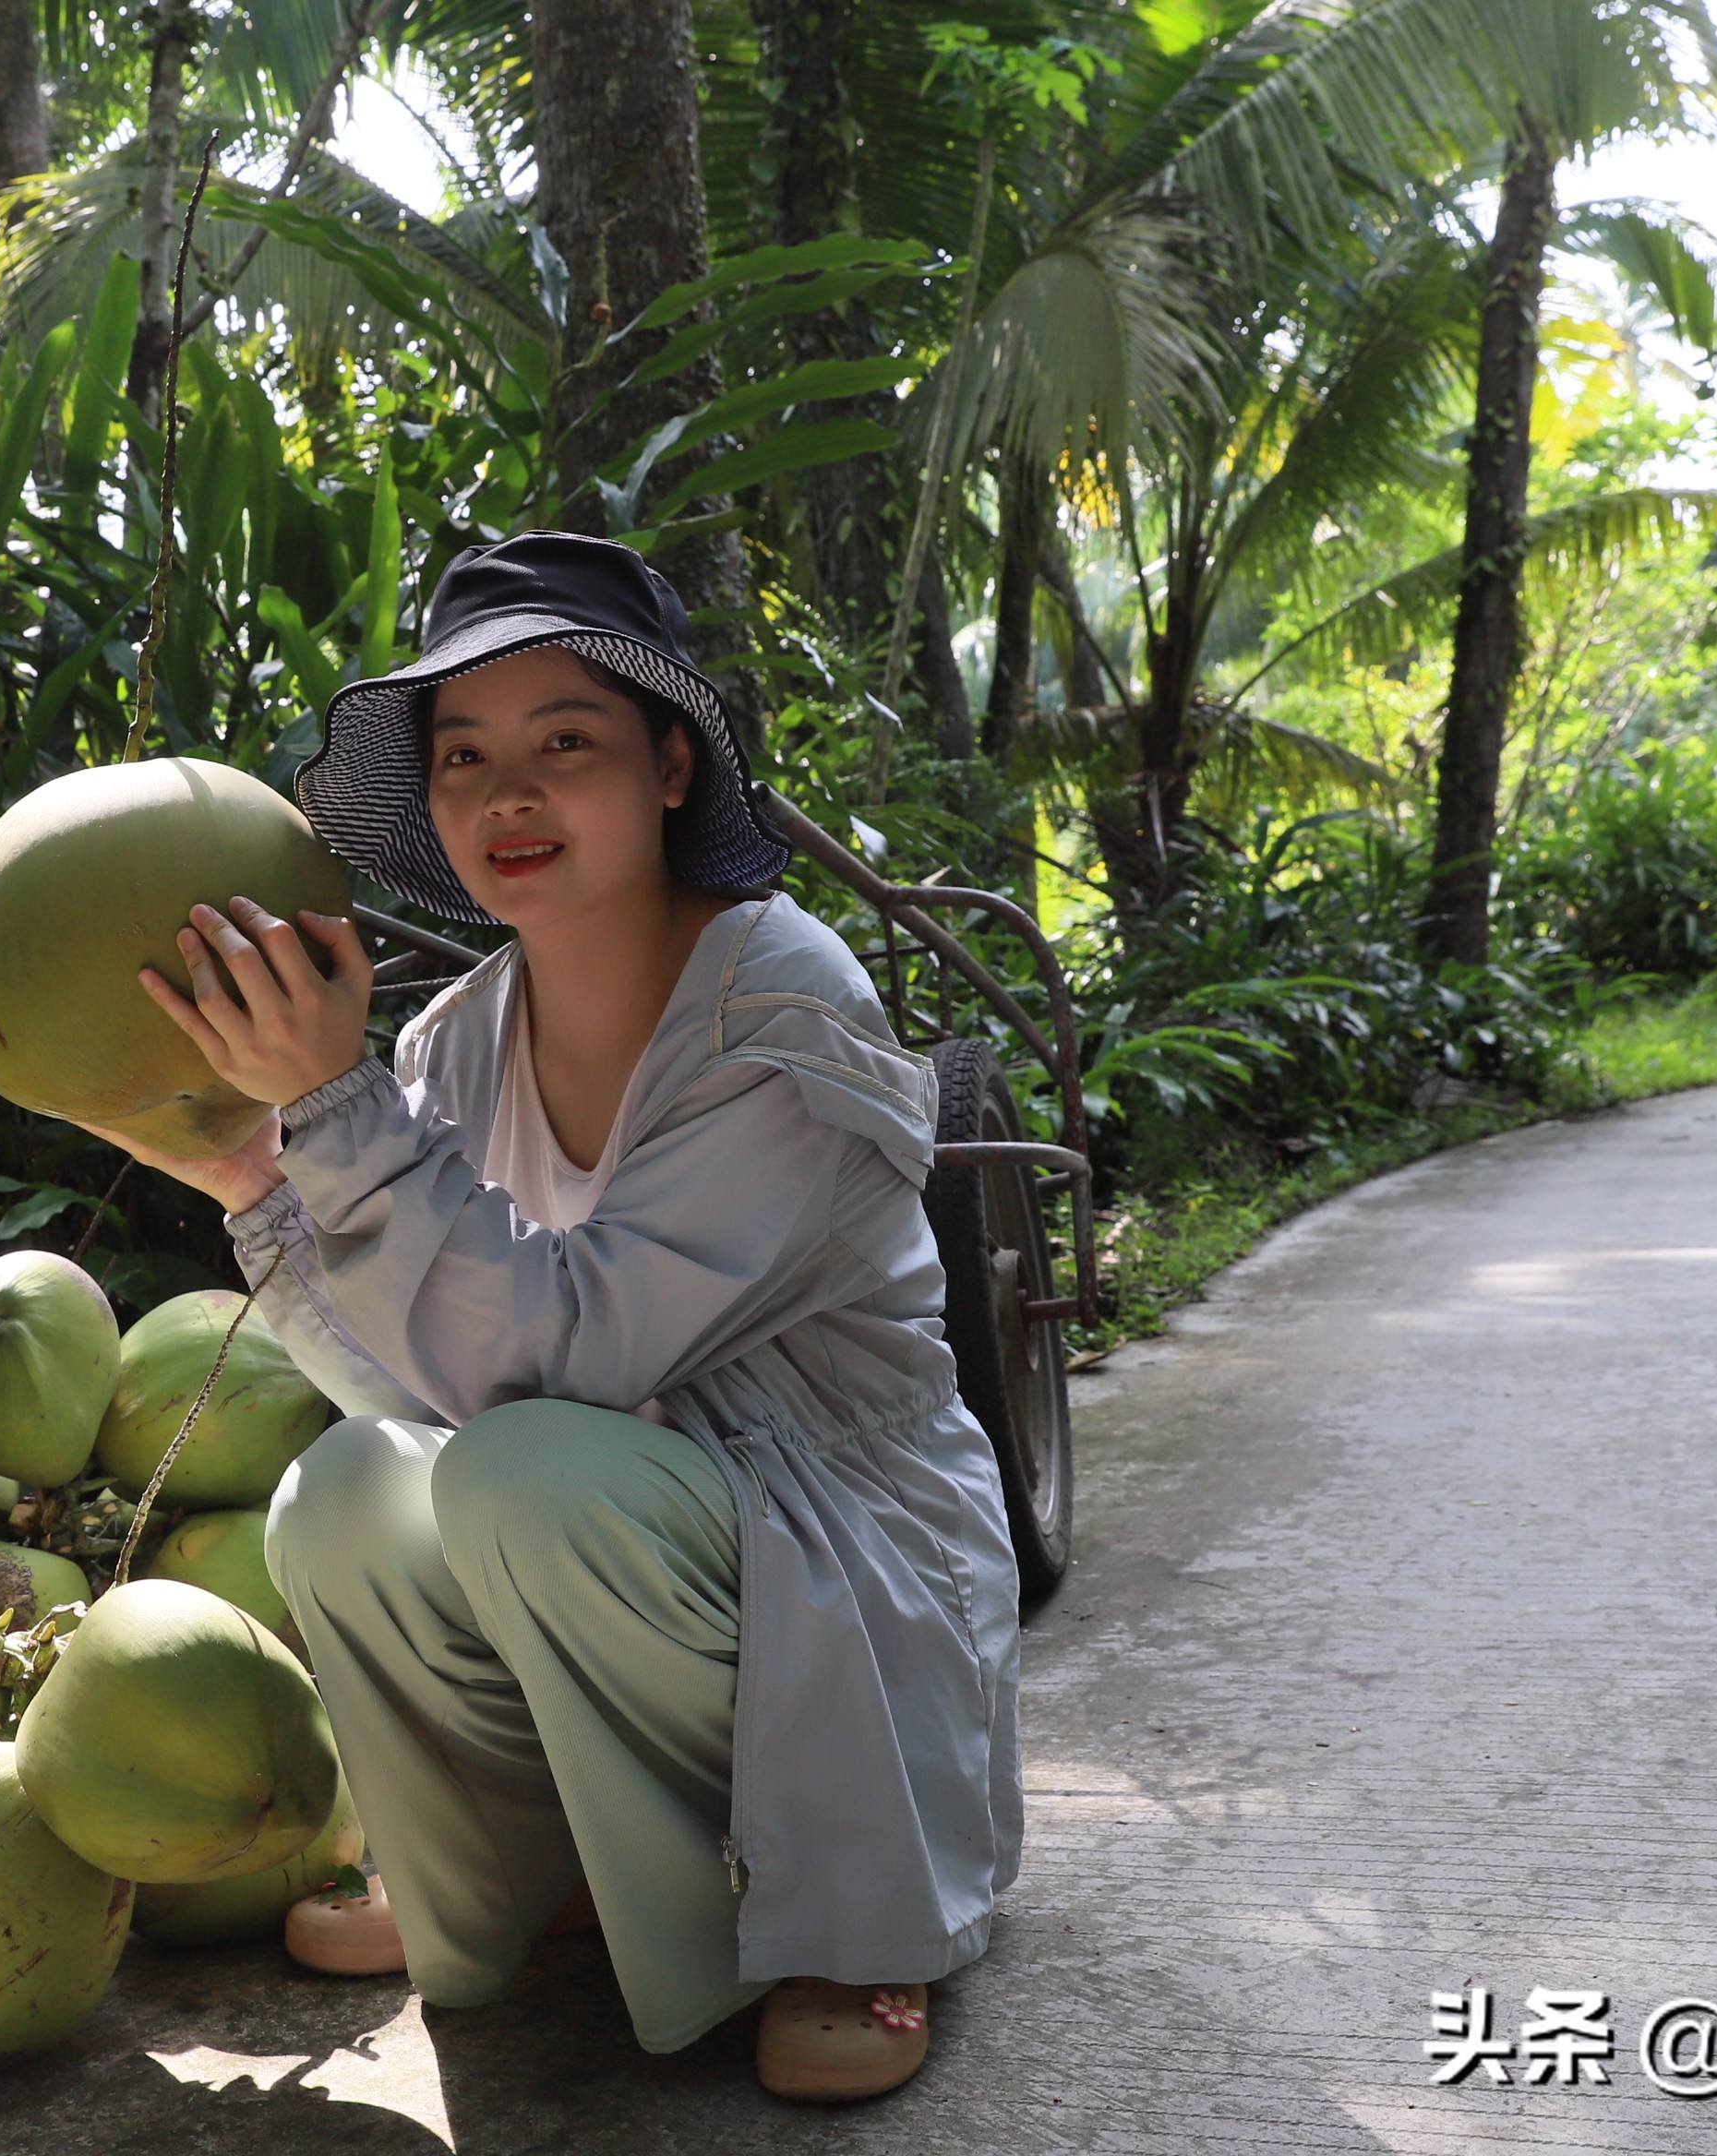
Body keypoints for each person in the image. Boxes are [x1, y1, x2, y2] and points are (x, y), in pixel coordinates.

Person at [77, 533, 1021, 2102]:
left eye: (562, 742)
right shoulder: (454, 1042)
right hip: (631, 1515)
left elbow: (576, 1353)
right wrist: (255, 1174)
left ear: (667, 766)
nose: (506, 794)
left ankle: (847, 1911)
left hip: (832, 1540)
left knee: (525, 1472)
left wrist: (331, 1103)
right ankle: (526, 1874)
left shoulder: (784, 1001)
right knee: (347, 1493)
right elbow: (414, 1382)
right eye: (465, 758)